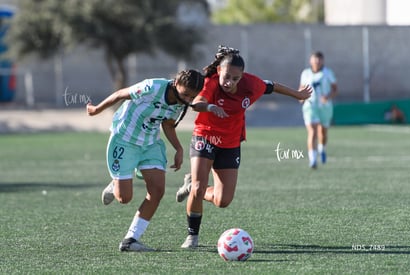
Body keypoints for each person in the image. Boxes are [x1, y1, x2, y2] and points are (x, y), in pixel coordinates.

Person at [174, 45, 312, 248]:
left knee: (223, 200)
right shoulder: (211, 83)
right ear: (219, 71)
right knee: (198, 186)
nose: (229, 82)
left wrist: (298, 95)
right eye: (226, 76)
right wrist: (210, 106)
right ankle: (192, 235)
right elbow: (197, 102)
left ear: (242, 76)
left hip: (230, 143)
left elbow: (273, 86)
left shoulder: (251, 84)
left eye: (235, 78)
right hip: (205, 136)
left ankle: (193, 186)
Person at [86, 69, 204, 252]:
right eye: (186, 94)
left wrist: (179, 148)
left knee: (157, 191)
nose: (188, 100)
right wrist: (96, 110)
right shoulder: (152, 86)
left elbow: (168, 124)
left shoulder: (182, 103)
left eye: (192, 97)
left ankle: (130, 240)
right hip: (125, 140)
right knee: (124, 198)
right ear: (175, 84)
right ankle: (117, 182)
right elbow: (120, 94)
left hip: (150, 144)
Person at [299, 51, 337, 169]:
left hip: (324, 107)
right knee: (312, 131)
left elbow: (335, 89)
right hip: (310, 106)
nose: (317, 61)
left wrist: (328, 97)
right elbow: (301, 87)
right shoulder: (305, 73)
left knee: (323, 132)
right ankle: (313, 160)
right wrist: (300, 96)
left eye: (319, 59)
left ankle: (322, 148)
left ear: (322, 61)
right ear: (311, 60)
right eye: (315, 59)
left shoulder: (328, 73)